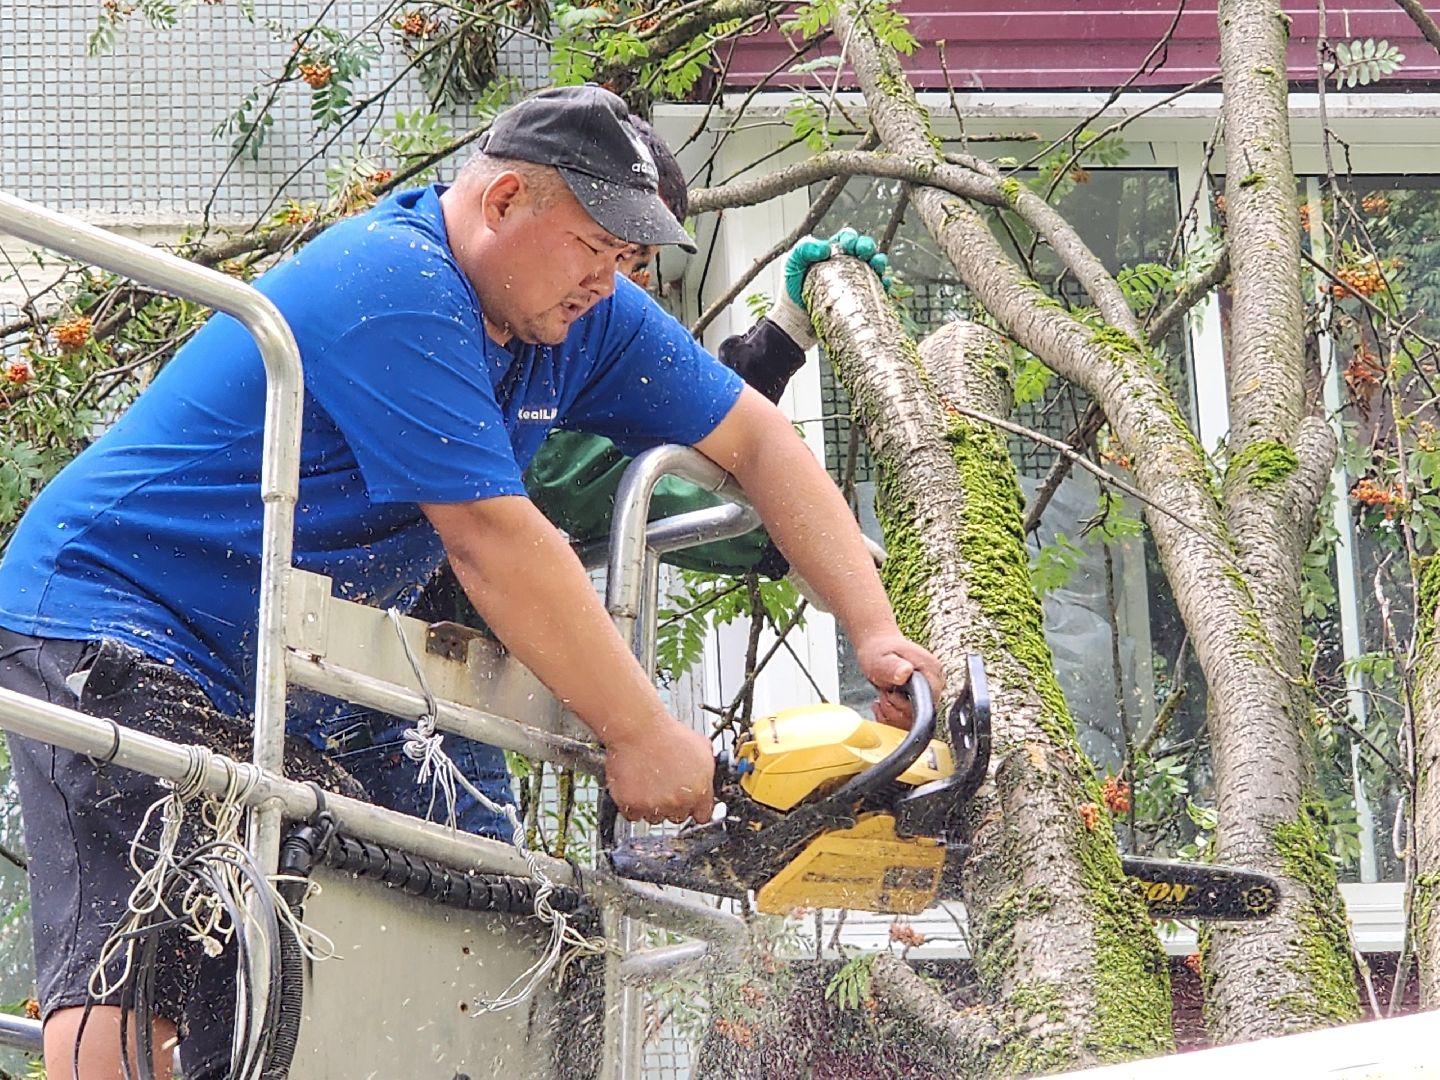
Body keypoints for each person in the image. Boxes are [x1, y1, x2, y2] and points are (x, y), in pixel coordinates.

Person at [0, 84, 942, 1079]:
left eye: (628, 259)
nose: (607, 279)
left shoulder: (584, 317)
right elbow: (492, 541)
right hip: (105, 617)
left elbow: (760, 440)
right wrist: (639, 732)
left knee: (376, 898)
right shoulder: (394, 283)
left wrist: (872, 632)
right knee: (172, 924)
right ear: (502, 204)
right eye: (592, 246)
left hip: (270, 666)